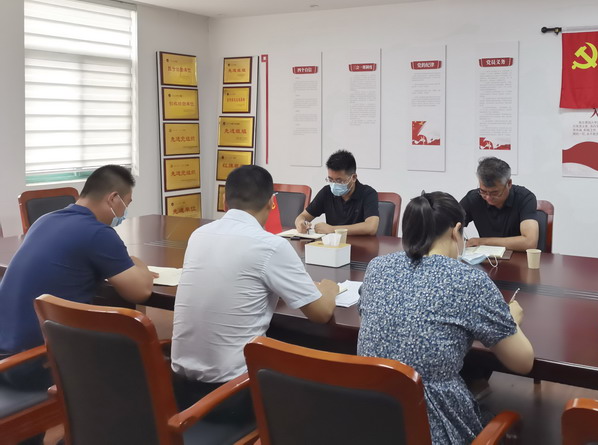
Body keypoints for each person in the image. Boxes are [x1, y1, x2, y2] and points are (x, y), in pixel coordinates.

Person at [357, 191, 534, 444]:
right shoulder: (468, 280)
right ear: (456, 230)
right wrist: (511, 320)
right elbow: (523, 362)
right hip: (435, 427)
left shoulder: (377, 267)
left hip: (372, 421)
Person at [172, 165, 339, 422]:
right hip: (233, 394)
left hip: (180, 390)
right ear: (272, 202)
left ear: (225, 201)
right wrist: (329, 288)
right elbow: (321, 313)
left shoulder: (198, 235)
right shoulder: (271, 246)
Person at [0, 164, 155, 391]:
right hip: (32, 364)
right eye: (127, 204)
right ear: (113, 199)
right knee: (133, 352)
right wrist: (140, 265)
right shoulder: (98, 233)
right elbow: (140, 292)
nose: (124, 213)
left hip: (5, 354)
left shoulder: (44, 220)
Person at [460, 157, 538, 252]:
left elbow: (530, 242)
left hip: (518, 257)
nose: (488, 198)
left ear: (509, 183)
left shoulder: (525, 198)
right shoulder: (473, 198)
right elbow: (449, 225)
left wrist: (482, 242)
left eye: (495, 193)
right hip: (485, 258)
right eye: (483, 191)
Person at [294, 149, 379, 235]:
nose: (334, 184)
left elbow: (371, 227)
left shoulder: (368, 193)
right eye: (330, 180)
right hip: (333, 243)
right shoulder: (326, 192)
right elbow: (303, 216)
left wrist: (333, 229)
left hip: (361, 243)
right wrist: (300, 223)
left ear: (353, 177)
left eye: (339, 181)